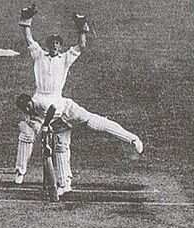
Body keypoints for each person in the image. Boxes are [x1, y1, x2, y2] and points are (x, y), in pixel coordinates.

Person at [14, 5, 144, 195]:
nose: (54, 46)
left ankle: (132, 139)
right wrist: (26, 21)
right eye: (52, 43)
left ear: (60, 46)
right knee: (58, 145)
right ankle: (58, 182)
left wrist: (82, 27)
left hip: (63, 107)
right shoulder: (39, 56)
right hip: (47, 110)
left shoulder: (65, 58)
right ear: (48, 44)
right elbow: (28, 38)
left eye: (57, 44)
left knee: (95, 122)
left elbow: (81, 46)